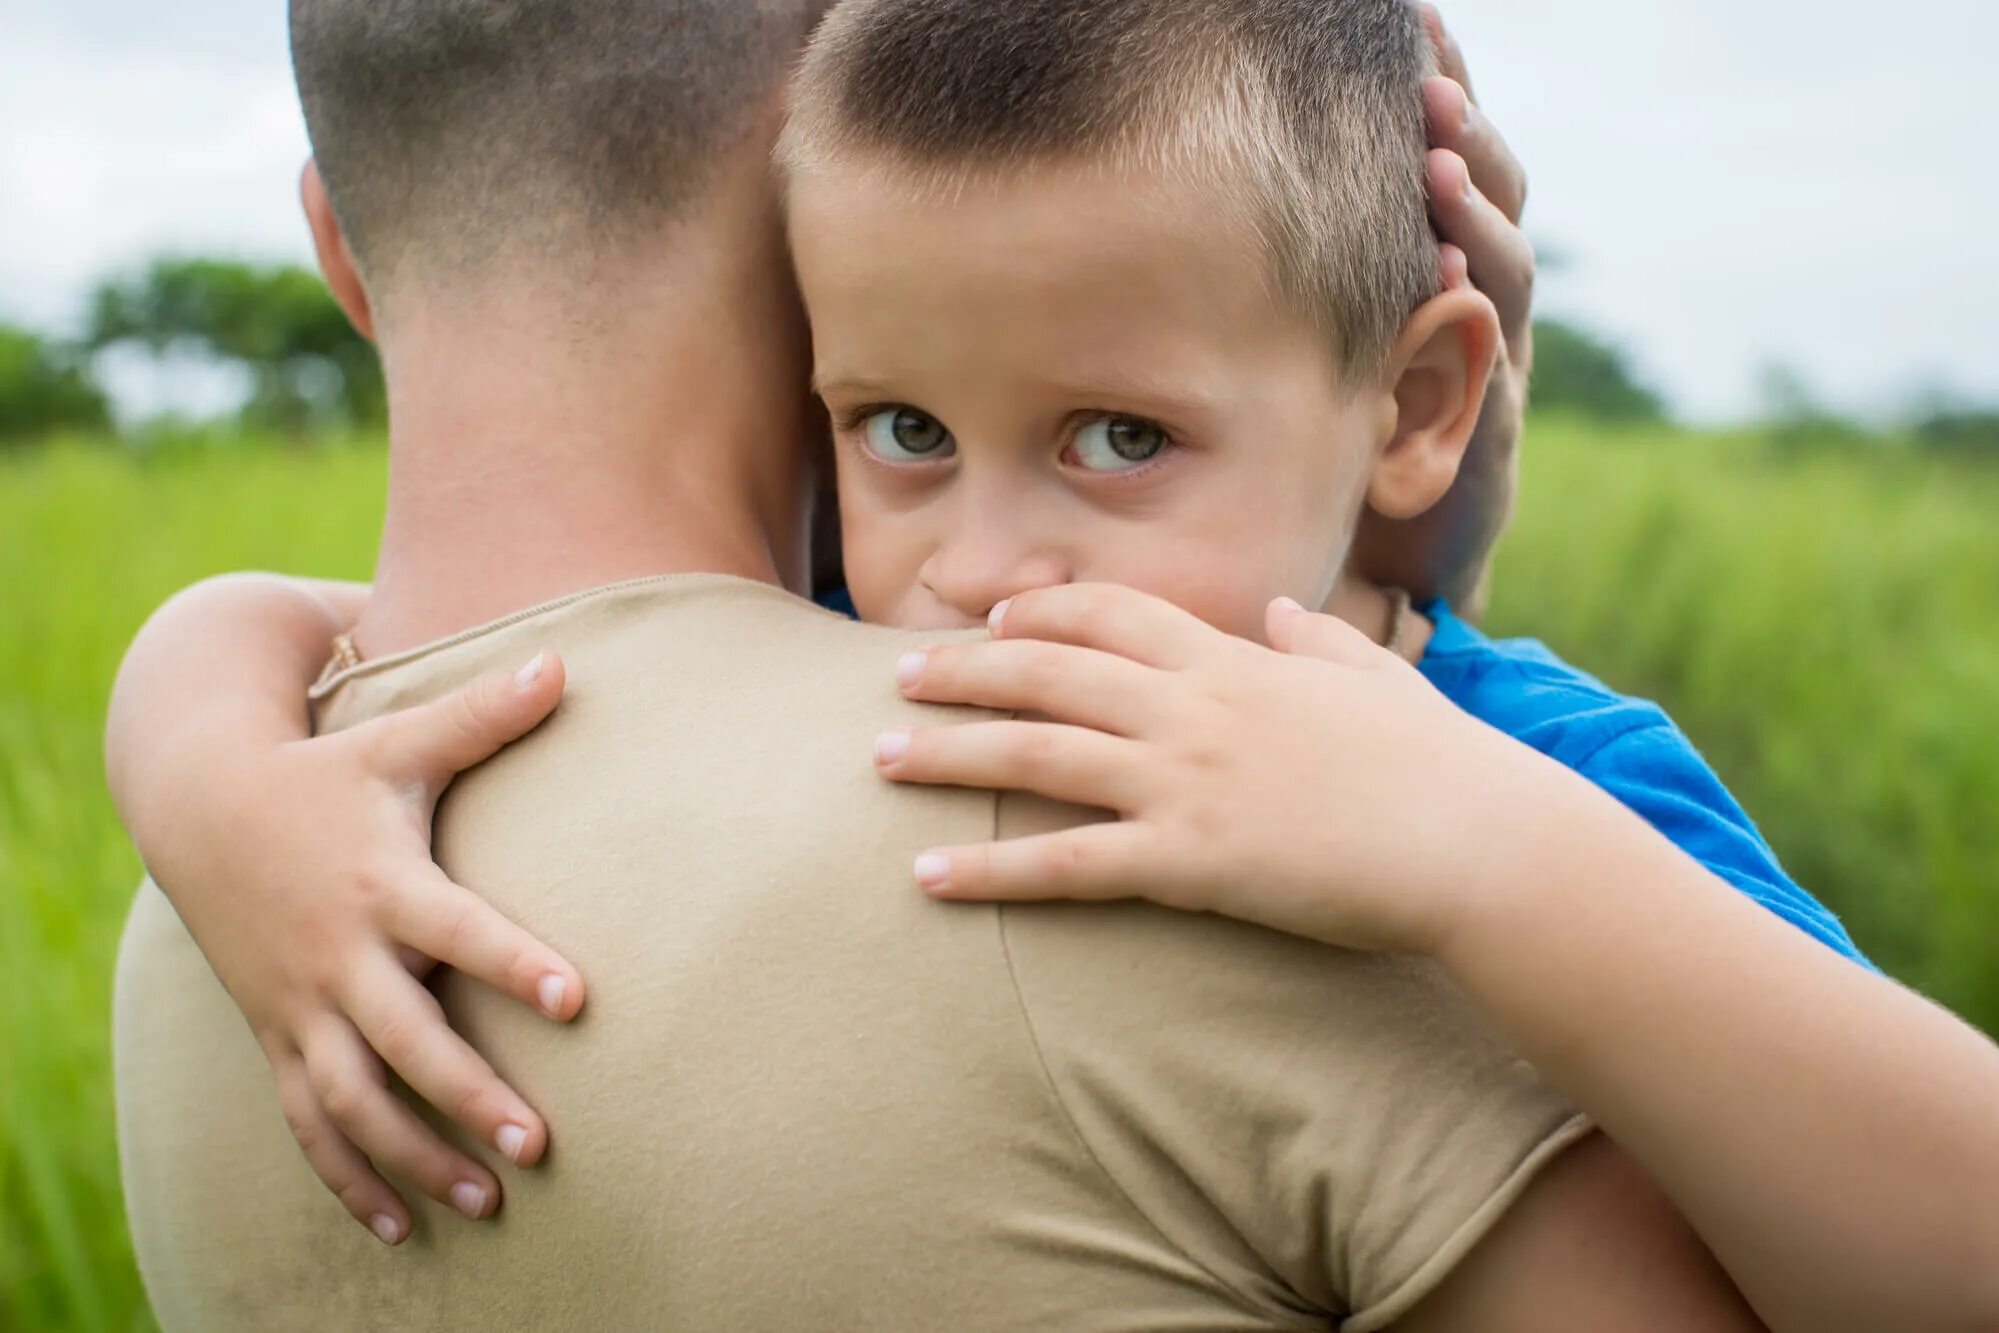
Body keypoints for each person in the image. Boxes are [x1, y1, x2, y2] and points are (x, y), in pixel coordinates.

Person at [110, 0, 1775, 1329]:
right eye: (904, 425)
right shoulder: (1093, 823)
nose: (986, 570)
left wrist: (194, 757)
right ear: (805, 200)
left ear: (338, 243)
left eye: (1117, 434)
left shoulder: (227, 894)